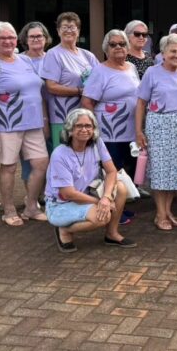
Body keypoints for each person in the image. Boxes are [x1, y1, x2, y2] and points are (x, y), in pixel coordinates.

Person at [0, 22, 50, 226]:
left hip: (34, 123)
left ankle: (31, 205)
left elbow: (38, 92)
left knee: (41, 164)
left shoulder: (25, 60)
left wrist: (44, 120)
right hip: (8, 124)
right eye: (2, 38)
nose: (8, 41)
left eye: (11, 37)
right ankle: (8, 209)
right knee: (9, 167)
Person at [45, 108, 136, 252]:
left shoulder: (96, 143)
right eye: (79, 126)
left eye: (88, 126)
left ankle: (111, 234)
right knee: (101, 217)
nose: (84, 129)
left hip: (88, 194)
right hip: (62, 203)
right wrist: (100, 202)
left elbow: (112, 171)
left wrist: (106, 198)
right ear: (70, 129)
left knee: (121, 188)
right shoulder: (59, 154)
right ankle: (64, 229)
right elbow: (69, 194)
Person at [136, 33, 177, 231]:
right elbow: (140, 103)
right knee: (160, 172)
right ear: (163, 53)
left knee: (175, 173)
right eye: (173, 51)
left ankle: (168, 211)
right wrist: (139, 130)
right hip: (159, 125)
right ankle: (160, 214)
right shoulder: (152, 73)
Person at [81, 30, 140, 175]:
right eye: (113, 44)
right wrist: (94, 129)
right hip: (109, 133)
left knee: (131, 168)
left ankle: (128, 194)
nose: (118, 47)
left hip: (132, 130)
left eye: (122, 44)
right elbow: (87, 102)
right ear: (106, 49)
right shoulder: (99, 71)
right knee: (113, 170)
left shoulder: (131, 67)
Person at [41, 12, 100, 148]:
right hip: (63, 117)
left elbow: (101, 78)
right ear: (58, 31)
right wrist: (79, 91)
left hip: (86, 116)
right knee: (65, 156)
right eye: (64, 27)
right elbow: (51, 87)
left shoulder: (88, 55)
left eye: (72, 27)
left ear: (78, 31)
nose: (69, 30)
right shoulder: (53, 54)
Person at [18, 21, 53, 186]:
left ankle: (48, 193)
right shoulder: (19, 60)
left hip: (55, 113)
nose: (36, 39)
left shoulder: (53, 58)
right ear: (25, 39)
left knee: (52, 155)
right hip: (28, 115)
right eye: (31, 36)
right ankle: (31, 196)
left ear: (46, 38)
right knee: (29, 157)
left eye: (39, 36)